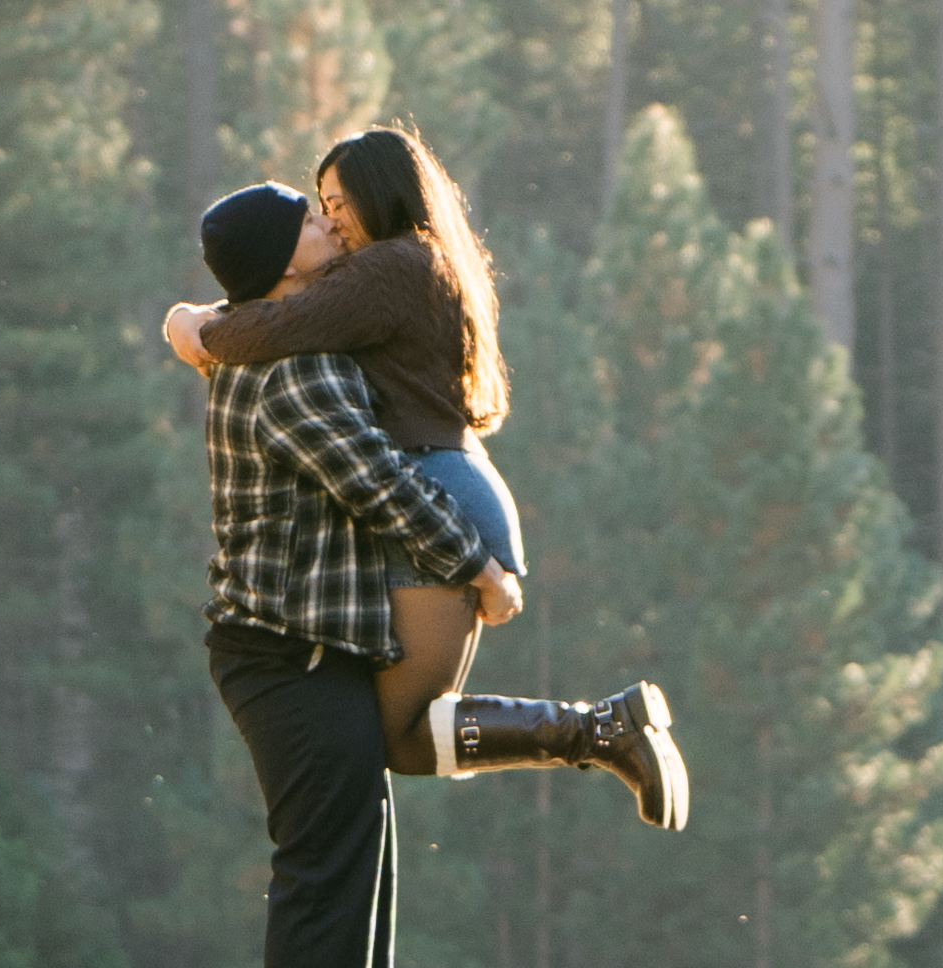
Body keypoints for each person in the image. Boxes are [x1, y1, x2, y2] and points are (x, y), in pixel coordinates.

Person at [170, 123, 690, 822]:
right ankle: (598, 731)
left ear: (382, 195)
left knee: (401, 734)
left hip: (435, 493)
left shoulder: (390, 267)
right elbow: (286, 317)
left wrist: (194, 330)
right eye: (320, 205)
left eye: (339, 202)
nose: (329, 220)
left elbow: (272, 330)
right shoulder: (422, 262)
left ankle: (600, 729)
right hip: (447, 482)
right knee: (403, 737)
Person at [178, 175, 496, 968]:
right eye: (314, 221)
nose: (333, 224)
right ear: (283, 264)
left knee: (364, 869)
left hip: (309, 647)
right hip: (286, 653)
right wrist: (474, 564)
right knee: (322, 874)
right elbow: (375, 479)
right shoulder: (295, 372)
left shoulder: (273, 345)